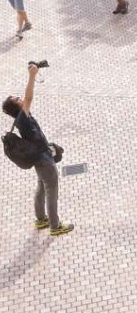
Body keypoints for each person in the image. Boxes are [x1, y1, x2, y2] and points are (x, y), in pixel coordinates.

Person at [3, 64, 73, 236]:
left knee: (42, 187)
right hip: (44, 161)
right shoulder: (22, 118)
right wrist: (32, 76)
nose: (20, 98)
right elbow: (29, 98)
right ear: (17, 107)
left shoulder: (20, 119)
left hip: (39, 160)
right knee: (51, 192)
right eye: (16, 99)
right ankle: (55, 226)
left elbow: (26, 100)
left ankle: (41, 219)